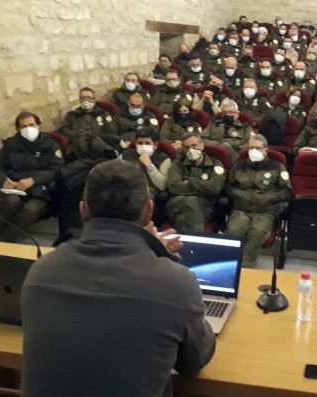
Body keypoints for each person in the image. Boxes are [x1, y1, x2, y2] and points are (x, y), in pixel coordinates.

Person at [21, 159, 215, 396]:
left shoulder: (41, 270)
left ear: (83, 210)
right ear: (149, 210)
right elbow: (194, 362)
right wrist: (161, 259)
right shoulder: (175, 281)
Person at [0, 111, 64, 241]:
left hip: (39, 191)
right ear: (18, 129)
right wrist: (4, 182)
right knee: (10, 202)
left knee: (32, 210)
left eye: (32, 125)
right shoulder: (11, 145)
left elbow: (57, 169)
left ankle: (0, 240)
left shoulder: (51, 145)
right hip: (14, 187)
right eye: (24, 126)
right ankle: (1, 239)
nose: (28, 129)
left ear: (39, 126)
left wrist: (33, 180)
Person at [225, 134, 292, 267]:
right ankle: (231, 266)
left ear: (265, 150)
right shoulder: (239, 166)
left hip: (265, 212)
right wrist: (241, 195)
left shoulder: (277, 167)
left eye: (258, 148)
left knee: (256, 233)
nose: (253, 151)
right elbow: (229, 186)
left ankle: (246, 266)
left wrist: (266, 198)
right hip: (241, 209)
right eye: (251, 148)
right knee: (234, 231)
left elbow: (286, 191)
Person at [166, 132, 226, 232]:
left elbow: (215, 187)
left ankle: (183, 246)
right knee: (191, 201)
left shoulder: (215, 163)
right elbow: (173, 187)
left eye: (194, 145)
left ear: (202, 145)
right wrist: (202, 190)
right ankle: (197, 245)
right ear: (183, 150)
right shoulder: (178, 163)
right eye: (186, 147)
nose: (191, 149)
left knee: (182, 219)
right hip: (176, 204)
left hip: (205, 207)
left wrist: (191, 182)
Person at [121, 128, 172, 224]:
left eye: (147, 143)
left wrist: (149, 166)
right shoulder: (126, 154)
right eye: (140, 143)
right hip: (126, 189)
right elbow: (115, 172)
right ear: (136, 144)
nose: (143, 146)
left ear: (155, 145)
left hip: (147, 193)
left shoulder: (164, 159)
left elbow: (163, 185)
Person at [204, 99, 254, 164]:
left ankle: (236, 166)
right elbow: (201, 140)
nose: (228, 115)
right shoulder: (213, 124)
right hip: (215, 153)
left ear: (237, 114)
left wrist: (236, 147)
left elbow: (252, 143)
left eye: (231, 112)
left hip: (236, 153)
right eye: (224, 113)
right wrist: (220, 144)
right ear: (222, 115)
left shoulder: (245, 126)